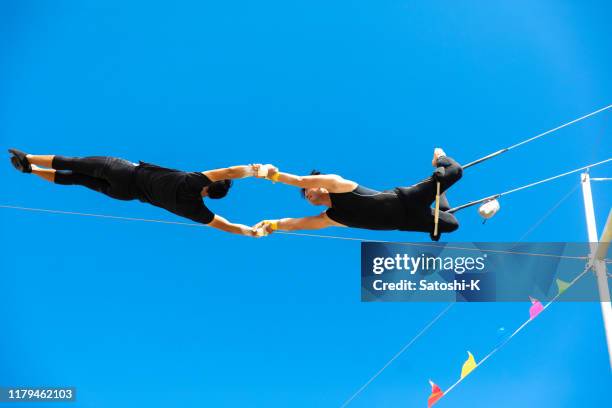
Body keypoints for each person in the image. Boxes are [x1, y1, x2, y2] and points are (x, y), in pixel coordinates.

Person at [8, 148, 259, 236]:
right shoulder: (195, 210)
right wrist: (250, 231)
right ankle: (30, 171)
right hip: (125, 194)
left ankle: (28, 157)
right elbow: (224, 224)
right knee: (76, 180)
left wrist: (253, 170)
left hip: (124, 172)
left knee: (74, 163)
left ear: (208, 186)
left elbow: (227, 171)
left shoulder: (192, 181)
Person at [253, 148, 462, 241]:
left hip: (405, 199)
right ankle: (438, 191)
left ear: (320, 185)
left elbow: (298, 180)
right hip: (404, 222)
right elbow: (295, 224)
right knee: (451, 224)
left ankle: (440, 157)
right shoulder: (330, 218)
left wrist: (274, 175)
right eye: (304, 194)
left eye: (308, 189)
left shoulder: (337, 184)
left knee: (454, 171)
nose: (305, 193)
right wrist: (272, 224)